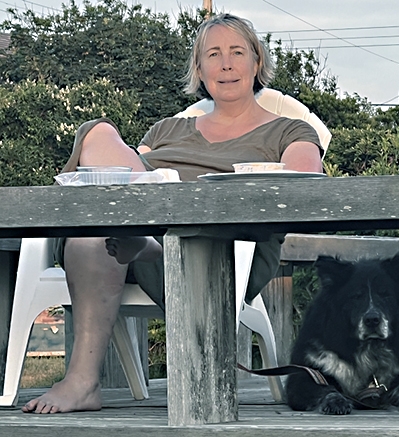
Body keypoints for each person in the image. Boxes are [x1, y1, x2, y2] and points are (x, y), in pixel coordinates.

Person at [22, 13, 323, 414]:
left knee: (124, 227)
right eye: (213, 54)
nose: (227, 64)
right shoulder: (168, 130)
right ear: (200, 69)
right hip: (128, 240)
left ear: (257, 62)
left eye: (237, 52)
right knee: (98, 144)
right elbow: (120, 175)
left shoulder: (287, 131)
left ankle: (153, 243)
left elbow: (305, 185)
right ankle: (83, 383)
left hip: (223, 252)